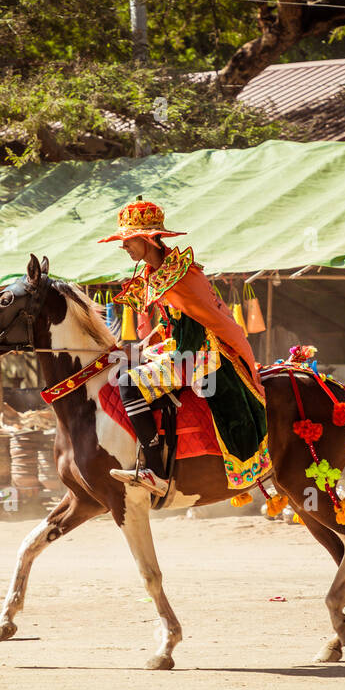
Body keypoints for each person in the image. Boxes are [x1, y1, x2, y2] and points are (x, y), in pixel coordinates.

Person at [99, 197, 269, 497]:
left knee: (127, 383)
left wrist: (156, 354)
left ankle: (156, 470)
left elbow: (191, 332)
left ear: (148, 239)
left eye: (127, 241)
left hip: (200, 356)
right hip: (186, 349)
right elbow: (174, 326)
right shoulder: (158, 272)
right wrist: (148, 346)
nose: (122, 246)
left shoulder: (178, 275)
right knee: (128, 362)